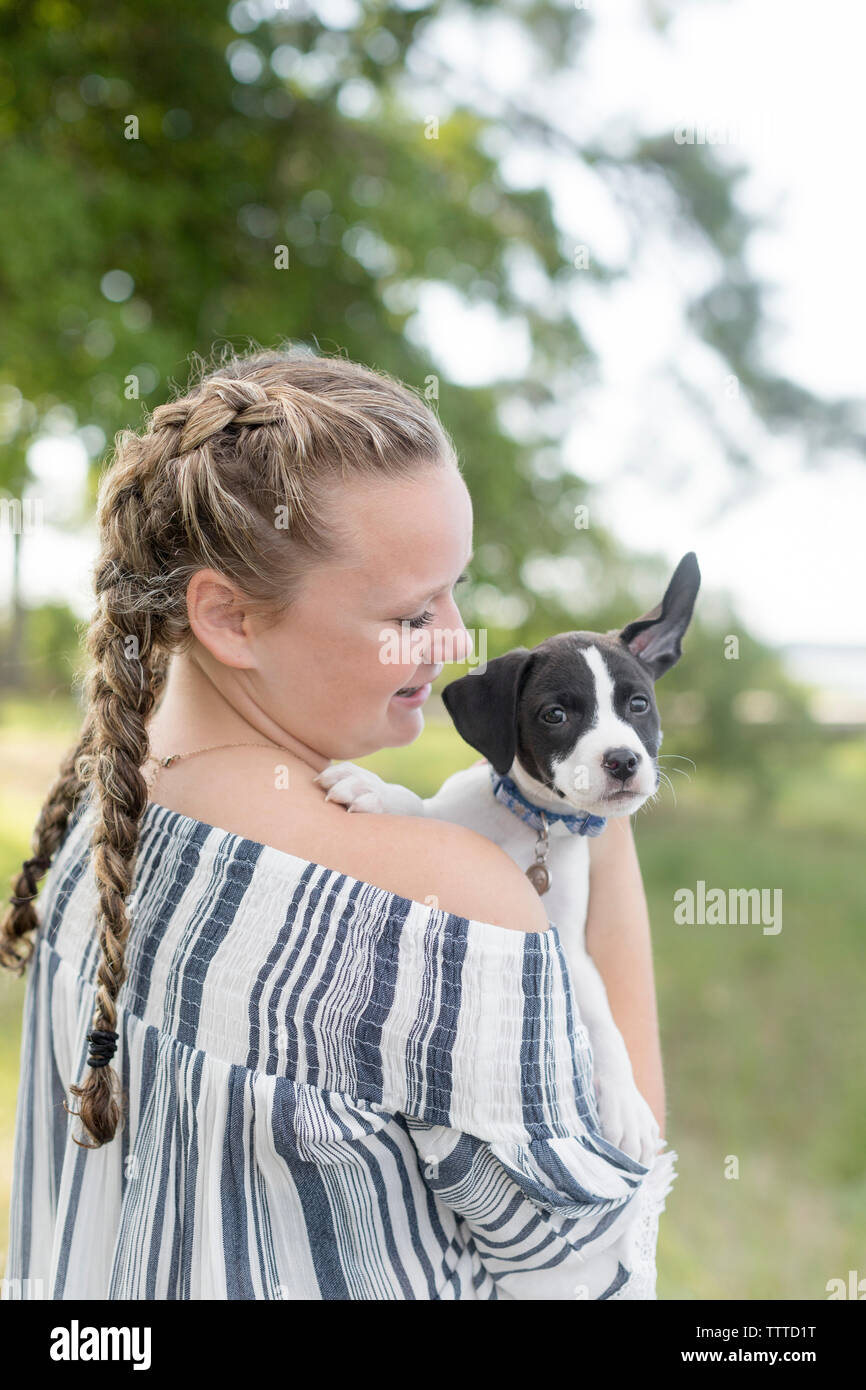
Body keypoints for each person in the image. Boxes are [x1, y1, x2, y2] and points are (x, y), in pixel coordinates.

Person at [0, 345, 676, 1300]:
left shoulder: (101, 821)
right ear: (230, 619)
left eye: (457, 590)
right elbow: (606, 1254)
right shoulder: (448, 901)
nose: (453, 643)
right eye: (409, 614)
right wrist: (597, 797)